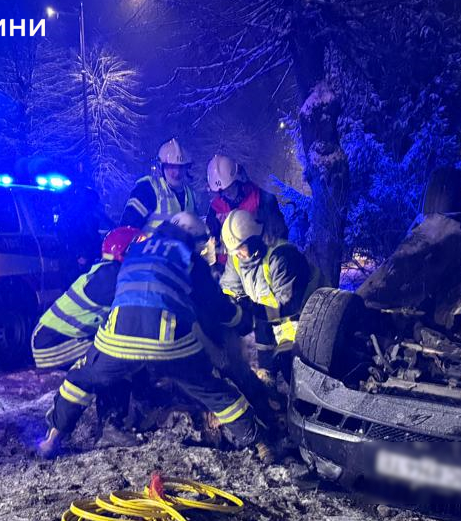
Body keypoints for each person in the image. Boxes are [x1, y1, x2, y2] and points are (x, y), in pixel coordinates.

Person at [37, 212, 271, 461]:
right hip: (169, 341)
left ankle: (53, 439)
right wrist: (242, 319)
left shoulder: (135, 251)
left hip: (118, 338)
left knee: (83, 377)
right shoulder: (189, 258)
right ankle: (261, 443)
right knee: (212, 388)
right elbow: (213, 308)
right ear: (191, 238)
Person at [219, 208, 323, 382]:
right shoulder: (237, 257)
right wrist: (232, 306)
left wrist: (249, 311)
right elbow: (230, 288)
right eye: (233, 251)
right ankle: (271, 384)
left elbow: (289, 305)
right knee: (266, 365)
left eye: (240, 248)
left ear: (253, 239)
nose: (237, 254)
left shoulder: (281, 256)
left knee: (298, 375)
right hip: (269, 321)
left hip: (303, 320)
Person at [30, 226, 142, 370]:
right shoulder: (112, 278)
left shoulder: (106, 271)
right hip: (52, 344)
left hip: (53, 338)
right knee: (116, 349)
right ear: (126, 251)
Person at [205, 154, 287, 264]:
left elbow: (279, 234)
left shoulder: (261, 199)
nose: (227, 193)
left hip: (260, 264)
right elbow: (210, 243)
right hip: (227, 270)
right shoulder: (215, 208)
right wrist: (213, 268)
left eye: (230, 187)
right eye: (222, 191)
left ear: (238, 180)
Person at [121, 139, 198, 230]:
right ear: (161, 167)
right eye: (171, 167)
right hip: (149, 244)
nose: (177, 172)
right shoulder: (147, 189)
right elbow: (127, 227)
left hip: (182, 244)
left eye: (181, 167)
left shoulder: (190, 194)